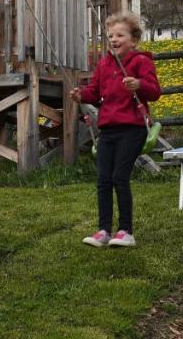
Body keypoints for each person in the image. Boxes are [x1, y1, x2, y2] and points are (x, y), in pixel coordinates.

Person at [69, 12, 161, 248]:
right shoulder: (104, 65)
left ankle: (126, 231)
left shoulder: (141, 61)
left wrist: (138, 84)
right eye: (110, 35)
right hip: (108, 129)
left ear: (133, 40)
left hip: (132, 128)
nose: (114, 39)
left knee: (120, 178)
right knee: (103, 180)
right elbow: (94, 93)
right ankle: (103, 231)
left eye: (120, 35)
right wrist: (81, 95)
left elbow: (154, 92)